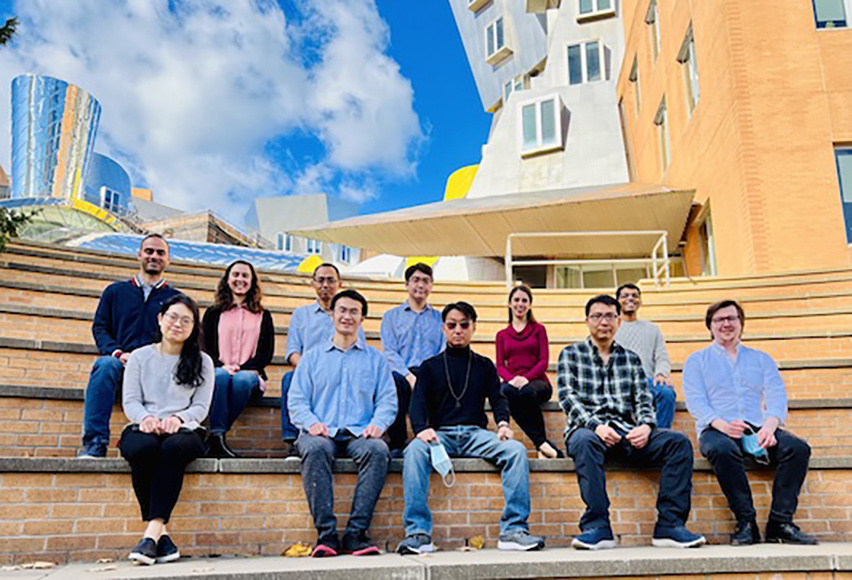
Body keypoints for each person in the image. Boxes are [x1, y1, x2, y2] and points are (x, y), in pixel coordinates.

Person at [397, 301, 545, 555]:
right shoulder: (430, 367)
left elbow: (499, 398)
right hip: (440, 435)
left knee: (516, 450)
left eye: (464, 325)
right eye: (452, 325)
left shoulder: (484, 365)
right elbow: (418, 404)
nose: (458, 330)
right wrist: (421, 429)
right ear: (443, 328)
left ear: (473, 327)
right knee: (413, 452)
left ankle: (513, 530)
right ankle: (418, 533)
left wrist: (502, 424)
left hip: (476, 435)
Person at [558, 295, 705, 550]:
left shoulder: (631, 358)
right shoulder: (571, 354)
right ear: (587, 321)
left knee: (678, 442)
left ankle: (669, 526)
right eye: (597, 316)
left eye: (610, 316)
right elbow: (567, 397)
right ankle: (597, 526)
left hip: (625, 433)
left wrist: (647, 426)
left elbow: (643, 399)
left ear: (618, 321)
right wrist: (596, 426)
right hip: (588, 431)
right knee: (583, 440)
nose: (604, 321)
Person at [683, 300, 817, 545]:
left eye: (732, 318)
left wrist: (770, 426)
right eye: (719, 319)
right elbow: (696, 400)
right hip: (717, 428)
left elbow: (777, 395)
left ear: (741, 324)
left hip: (757, 425)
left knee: (798, 449)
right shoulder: (697, 360)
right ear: (710, 326)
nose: (726, 324)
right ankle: (746, 522)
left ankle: (781, 523)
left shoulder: (761, 359)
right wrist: (721, 424)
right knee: (721, 450)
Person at [288, 289, 397, 557]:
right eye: (342, 310)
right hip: (320, 431)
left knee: (378, 450)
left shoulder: (375, 359)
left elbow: (387, 400)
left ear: (362, 319)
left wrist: (378, 424)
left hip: (360, 432)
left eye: (353, 312)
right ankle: (326, 535)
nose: (347, 316)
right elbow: (297, 400)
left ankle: (356, 534)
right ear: (333, 315)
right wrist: (311, 423)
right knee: (315, 449)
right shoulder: (312, 357)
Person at [118, 294, 214, 565]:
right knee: (143, 448)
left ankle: (151, 532)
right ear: (160, 319)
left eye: (187, 320)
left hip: (186, 431)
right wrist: (145, 418)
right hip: (143, 425)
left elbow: (201, 407)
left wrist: (178, 419)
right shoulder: (139, 356)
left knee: (172, 449)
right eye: (172, 317)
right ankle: (162, 536)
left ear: (194, 327)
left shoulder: (203, 361)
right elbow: (131, 400)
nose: (178, 324)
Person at [79, 234, 182, 458]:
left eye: (160, 253)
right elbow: (100, 328)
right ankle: (95, 445)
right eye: (149, 251)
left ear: (168, 260)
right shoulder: (115, 292)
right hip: (121, 364)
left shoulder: (176, 299)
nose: (154, 256)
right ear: (139, 255)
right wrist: (118, 353)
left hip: (155, 368)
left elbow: (179, 337)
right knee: (104, 365)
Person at [280, 263, 364, 456]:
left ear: (340, 284)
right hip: (309, 372)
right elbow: (293, 351)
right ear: (313, 284)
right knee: (289, 380)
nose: (325, 284)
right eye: (321, 280)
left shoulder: (349, 315)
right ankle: (293, 441)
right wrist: (309, 370)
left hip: (344, 370)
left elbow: (360, 349)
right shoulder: (301, 314)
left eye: (331, 280)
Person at [202, 260, 274, 458]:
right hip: (220, 370)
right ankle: (218, 437)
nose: (240, 279)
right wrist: (222, 366)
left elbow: (266, 352)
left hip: (250, 374)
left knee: (242, 380)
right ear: (227, 280)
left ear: (252, 282)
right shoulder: (213, 313)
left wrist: (247, 368)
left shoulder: (263, 315)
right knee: (220, 376)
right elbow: (206, 347)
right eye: (235, 275)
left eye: (245, 276)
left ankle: (215, 434)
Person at [381, 263, 444, 456]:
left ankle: (435, 441)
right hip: (402, 372)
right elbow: (390, 352)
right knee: (394, 383)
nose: (420, 285)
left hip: (430, 371)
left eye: (426, 281)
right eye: (416, 280)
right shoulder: (391, 317)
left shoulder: (440, 318)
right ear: (407, 284)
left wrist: (427, 375)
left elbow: (442, 349)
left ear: (431, 286)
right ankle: (398, 442)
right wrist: (409, 376)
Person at [496, 285, 562, 459]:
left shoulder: (538, 329)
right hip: (513, 383)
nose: (520, 304)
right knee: (506, 392)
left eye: (524, 300)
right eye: (516, 300)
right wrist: (511, 379)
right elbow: (499, 365)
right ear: (509, 304)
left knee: (525, 392)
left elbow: (543, 361)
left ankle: (541, 443)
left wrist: (526, 378)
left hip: (538, 382)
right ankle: (543, 445)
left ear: (530, 305)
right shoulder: (502, 334)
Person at [614, 283, 677, 429]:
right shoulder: (611, 328)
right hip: (620, 382)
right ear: (617, 301)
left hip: (647, 382)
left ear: (640, 302)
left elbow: (661, 356)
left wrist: (661, 374)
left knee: (667, 393)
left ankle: (661, 435)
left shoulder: (652, 329)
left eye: (635, 296)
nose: (630, 299)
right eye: (625, 296)